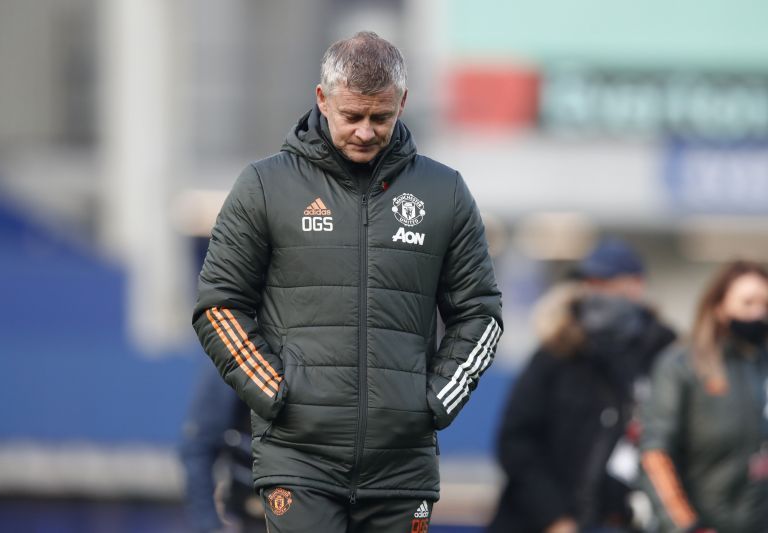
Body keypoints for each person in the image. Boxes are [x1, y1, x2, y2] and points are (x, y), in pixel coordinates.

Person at [192, 31, 502, 533]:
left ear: (403, 102)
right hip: (298, 460)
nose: (364, 131)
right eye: (351, 116)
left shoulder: (444, 193)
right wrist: (275, 393)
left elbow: (481, 313)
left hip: (402, 467)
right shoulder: (265, 186)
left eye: (380, 117)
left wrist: (435, 401)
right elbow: (218, 305)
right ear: (322, 99)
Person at [487, 238, 675, 533]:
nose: (595, 292)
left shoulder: (665, 357)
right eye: (590, 282)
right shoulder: (557, 352)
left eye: (607, 282)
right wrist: (554, 518)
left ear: (636, 286)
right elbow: (515, 442)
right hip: (539, 522)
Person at [639, 260, 768, 533]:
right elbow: (656, 453)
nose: (758, 313)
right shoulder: (681, 366)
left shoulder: (761, 365)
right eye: (748, 303)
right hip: (703, 522)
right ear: (719, 307)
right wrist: (686, 526)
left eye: (765, 305)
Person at [179, 361, 265, 533]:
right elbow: (198, 447)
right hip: (251, 512)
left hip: (315, 511)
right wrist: (209, 524)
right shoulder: (235, 357)